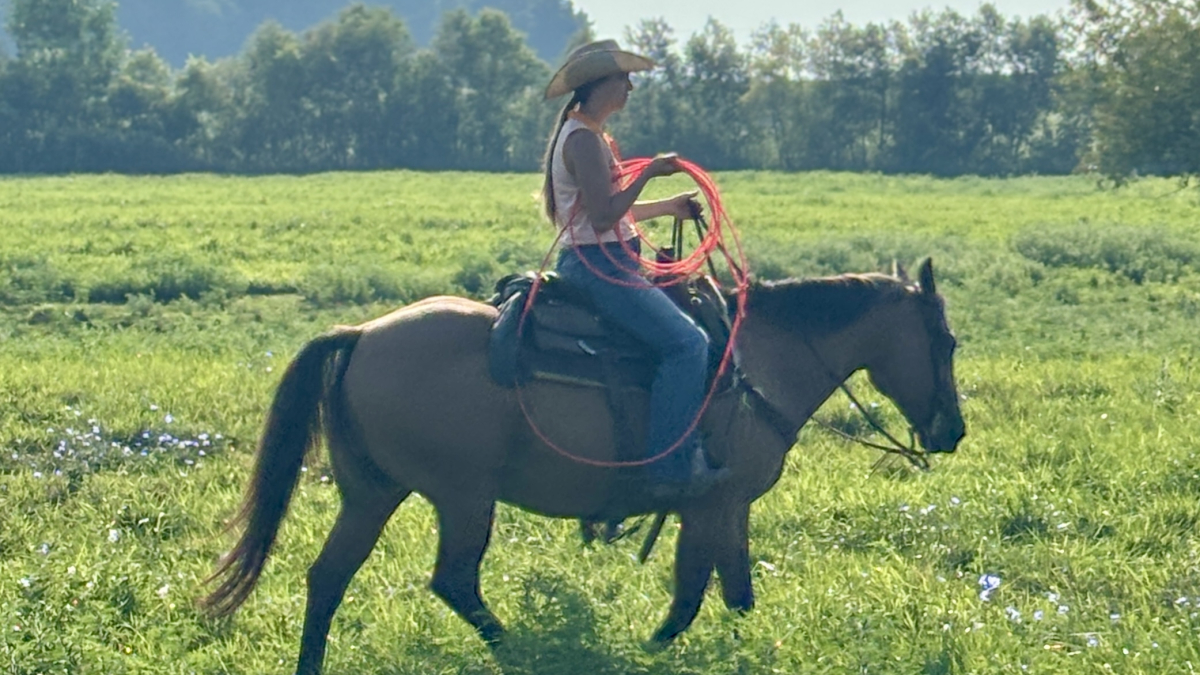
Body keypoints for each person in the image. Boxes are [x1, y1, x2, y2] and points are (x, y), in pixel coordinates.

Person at [541, 39, 727, 500]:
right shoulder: (583, 140)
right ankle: (666, 472)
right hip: (599, 265)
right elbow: (603, 217)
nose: (630, 87)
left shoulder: (587, 134)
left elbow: (605, 212)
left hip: (604, 257)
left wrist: (669, 207)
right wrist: (650, 174)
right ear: (599, 84)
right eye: (623, 79)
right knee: (688, 344)